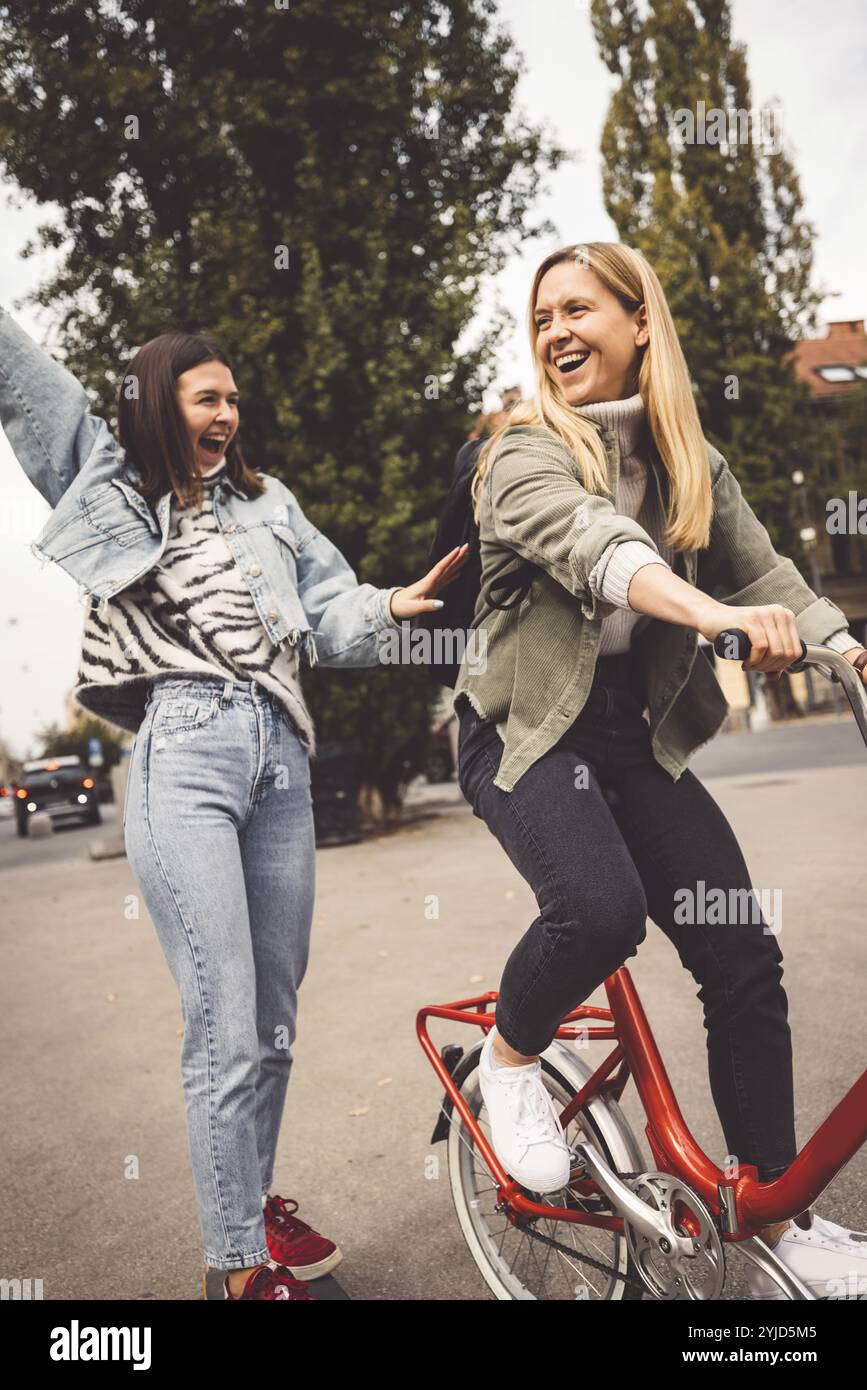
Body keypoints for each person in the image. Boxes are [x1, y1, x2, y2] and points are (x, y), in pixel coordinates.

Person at [0, 307, 467, 1301]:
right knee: (224, 1017)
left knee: (273, 1013)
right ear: (163, 401)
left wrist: (392, 604)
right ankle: (237, 1267)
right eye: (209, 397)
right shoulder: (108, 480)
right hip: (189, 753)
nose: (229, 413)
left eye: (235, 399)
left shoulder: (271, 502)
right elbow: (25, 380)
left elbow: (332, 611)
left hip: (281, 760)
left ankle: (249, 1204)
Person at [452, 242, 867, 1300]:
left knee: (741, 955)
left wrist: (848, 647)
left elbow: (769, 570)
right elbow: (600, 548)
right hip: (525, 732)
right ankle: (508, 1063)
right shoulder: (521, 454)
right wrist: (717, 617)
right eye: (541, 315)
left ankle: (783, 1208)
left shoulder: (688, 459)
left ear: (642, 323)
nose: (554, 331)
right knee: (597, 909)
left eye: (579, 308)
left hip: (630, 740)